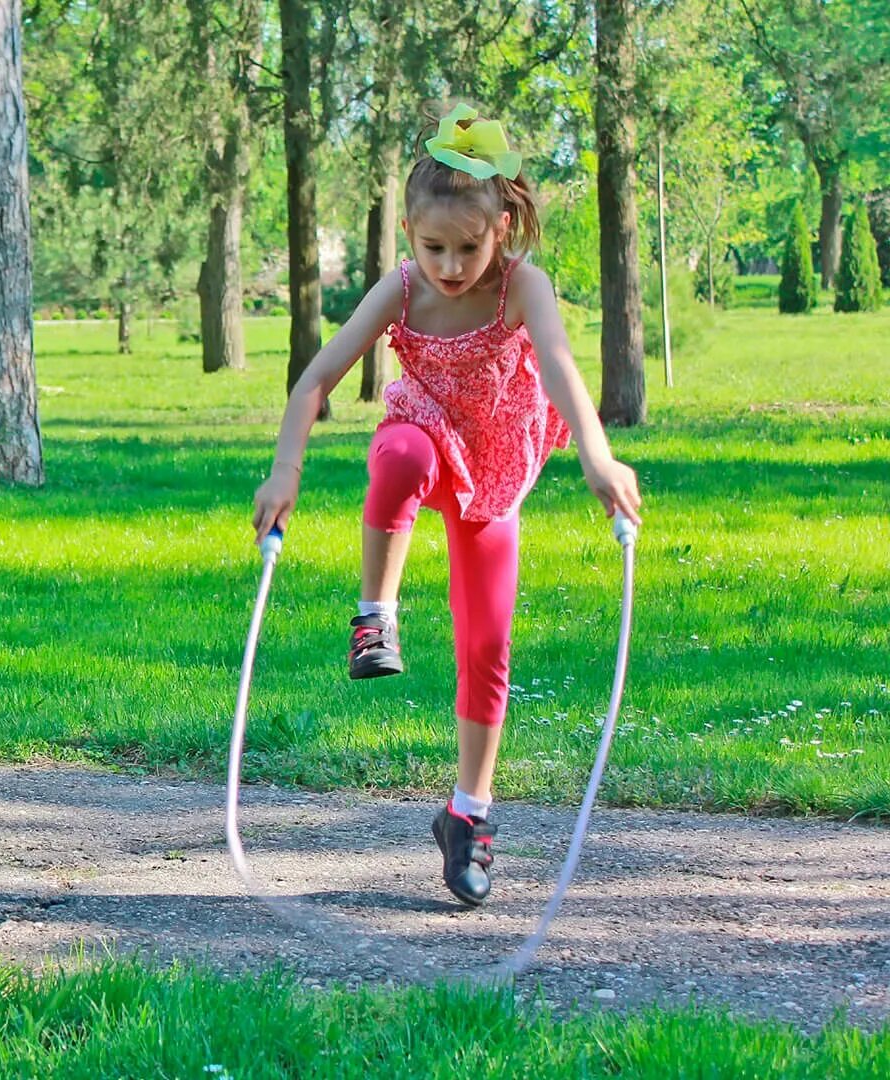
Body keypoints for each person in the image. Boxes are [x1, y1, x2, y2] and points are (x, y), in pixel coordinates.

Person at [251, 104, 643, 906]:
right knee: (396, 453)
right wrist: (285, 471)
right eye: (434, 248)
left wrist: (598, 457)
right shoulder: (402, 290)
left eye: (470, 247)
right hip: (427, 436)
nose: (452, 266)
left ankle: (467, 817)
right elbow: (315, 378)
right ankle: (375, 614)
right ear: (407, 231)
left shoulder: (523, 287)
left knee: (488, 648)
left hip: (496, 469)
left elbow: (564, 370)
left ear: (503, 225)